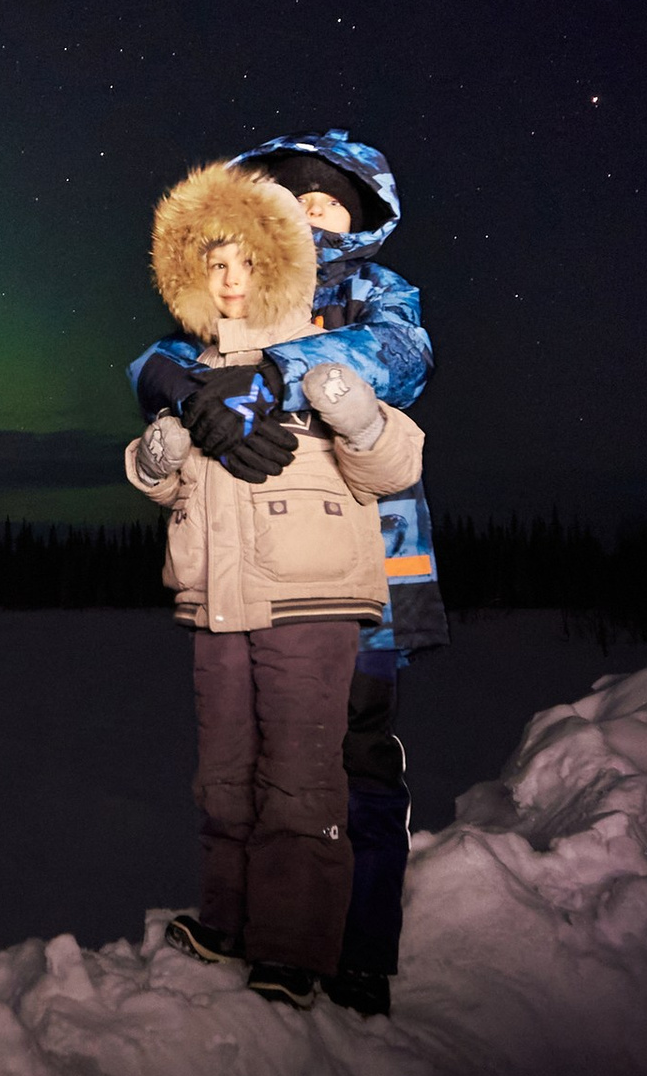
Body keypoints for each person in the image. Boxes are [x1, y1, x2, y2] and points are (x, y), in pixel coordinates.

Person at [128, 130, 440, 1016]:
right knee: (256, 753)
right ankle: (264, 926)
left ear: (357, 215)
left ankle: (358, 948)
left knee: (355, 756)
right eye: (289, 197)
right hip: (253, 573)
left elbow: (398, 360)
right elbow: (152, 362)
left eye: (326, 201)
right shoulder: (236, 288)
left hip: (370, 560)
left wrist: (264, 377)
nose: (308, 214)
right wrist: (195, 399)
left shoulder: (372, 292)